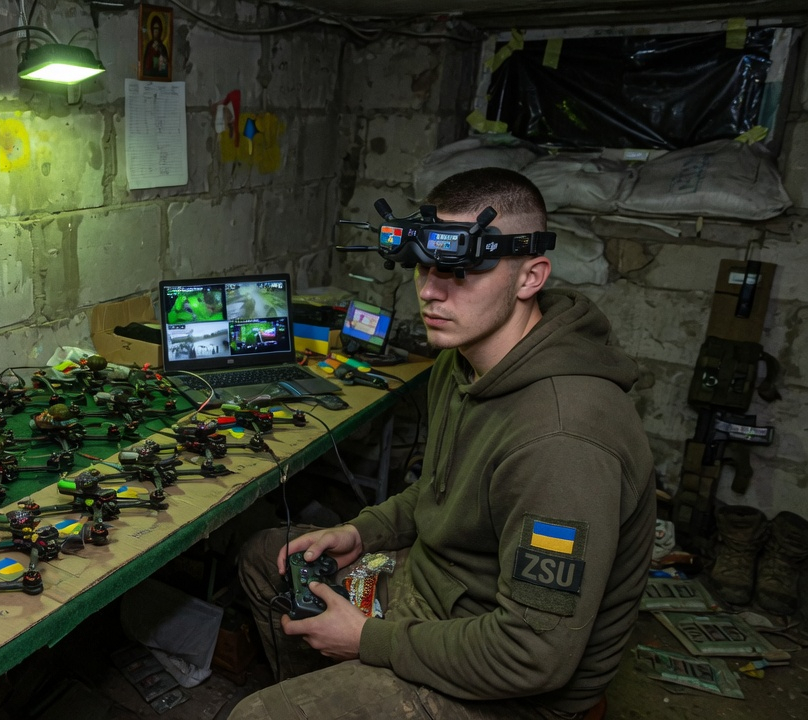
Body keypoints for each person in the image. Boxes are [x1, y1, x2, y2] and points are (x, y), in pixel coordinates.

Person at [232, 167, 655, 719]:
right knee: (269, 558)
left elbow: (532, 655)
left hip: (514, 683)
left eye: (461, 273)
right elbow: (439, 488)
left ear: (531, 277)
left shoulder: (563, 440)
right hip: (440, 592)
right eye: (424, 267)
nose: (430, 291)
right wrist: (361, 530)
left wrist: (368, 642)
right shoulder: (460, 363)